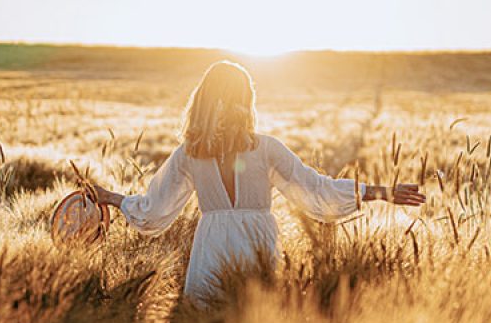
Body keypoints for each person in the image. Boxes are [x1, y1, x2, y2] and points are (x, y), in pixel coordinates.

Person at [92, 61, 426, 306]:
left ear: (203, 100)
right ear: (246, 100)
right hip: (256, 248)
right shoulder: (265, 149)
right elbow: (317, 191)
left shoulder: (189, 153)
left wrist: (112, 197)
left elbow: (154, 210)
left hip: (210, 251)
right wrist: (380, 192)